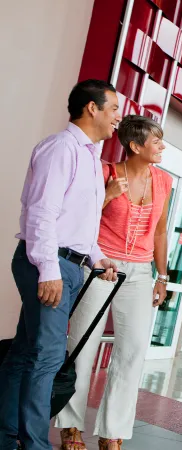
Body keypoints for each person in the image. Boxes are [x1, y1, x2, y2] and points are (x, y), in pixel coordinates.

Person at [0, 80, 120, 450]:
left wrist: (97, 256)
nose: (118, 116)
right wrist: (48, 270)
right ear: (91, 108)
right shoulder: (60, 149)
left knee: (26, 352)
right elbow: (42, 213)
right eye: (113, 108)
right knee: (48, 355)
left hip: (67, 262)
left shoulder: (88, 155)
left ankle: (6, 436)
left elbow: (77, 223)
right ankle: (34, 443)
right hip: (48, 262)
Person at [53, 115, 173, 450]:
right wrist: (107, 195)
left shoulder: (163, 181)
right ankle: (70, 426)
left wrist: (162, 276)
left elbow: (161, 231)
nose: (162, 146)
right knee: (82, 346)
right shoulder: (105, 171)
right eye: (156, 141)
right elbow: (79, 218)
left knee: (132, 350)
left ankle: (112, 432)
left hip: (140, 272)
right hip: (100, 265)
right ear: (135, 146)